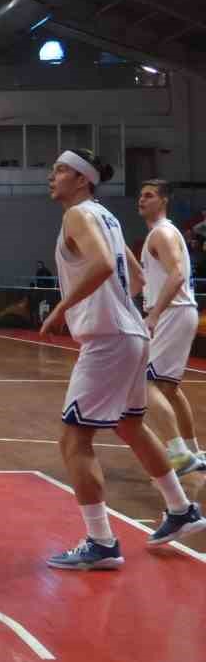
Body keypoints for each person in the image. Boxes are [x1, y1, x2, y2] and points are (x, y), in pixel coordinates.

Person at [40, 151, 206, 570]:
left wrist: (63, 308)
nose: (52, 176)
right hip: (131, 333)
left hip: (110, 339)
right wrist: (115, 306)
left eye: (60, 170)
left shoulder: (78, 216)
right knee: (129, 424)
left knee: (74, 439)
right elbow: (136, 278)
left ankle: (101, 542)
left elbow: (99, 265)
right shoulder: (108, 218)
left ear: (82, 180)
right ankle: (180, 508)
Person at [124, 180, 206, 475]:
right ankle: (193, 451)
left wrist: (155, 314)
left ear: (164, 200)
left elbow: (177, 275)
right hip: (179, 312)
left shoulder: (161, 233)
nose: (141, 200)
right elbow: (152, 279)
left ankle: (178, 453)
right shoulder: (160, 234)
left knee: (147, 384)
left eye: (149, 196)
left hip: (173, 312)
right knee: (169, 389)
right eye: (140, 195)